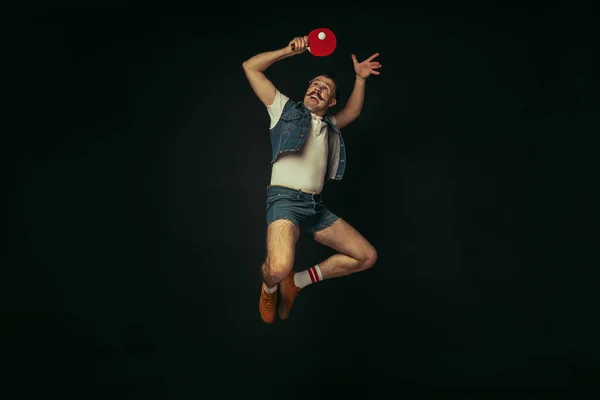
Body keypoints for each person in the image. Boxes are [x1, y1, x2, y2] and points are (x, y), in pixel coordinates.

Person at [242, 35, 381, 324]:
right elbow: (251, 67)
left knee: (366, 257)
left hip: (315, 208)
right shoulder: (284, 111)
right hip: (283, 202)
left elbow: (352, 112)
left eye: (325, 88)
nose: (317, 88)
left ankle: (297, 283)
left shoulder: (330, 126)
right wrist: (286, 51)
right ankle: (270, 288)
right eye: (314, 84)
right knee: (278, 267)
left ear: (330, 101)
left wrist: (360, 79)